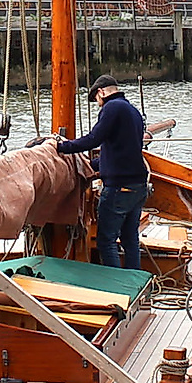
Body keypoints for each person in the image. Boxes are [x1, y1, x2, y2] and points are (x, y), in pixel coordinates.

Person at [55, 74, 149, 269]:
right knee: (130, 239)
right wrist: (92, 164)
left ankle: (115, 288)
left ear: (101, 92)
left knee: (106, 241)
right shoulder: (132, 110)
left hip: (118, 188)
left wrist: (62, 147)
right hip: (138, 186)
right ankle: (134, 284)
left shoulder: (112, 108)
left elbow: (94, 139)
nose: (98, 104)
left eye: (97, 100)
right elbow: (119, 150)